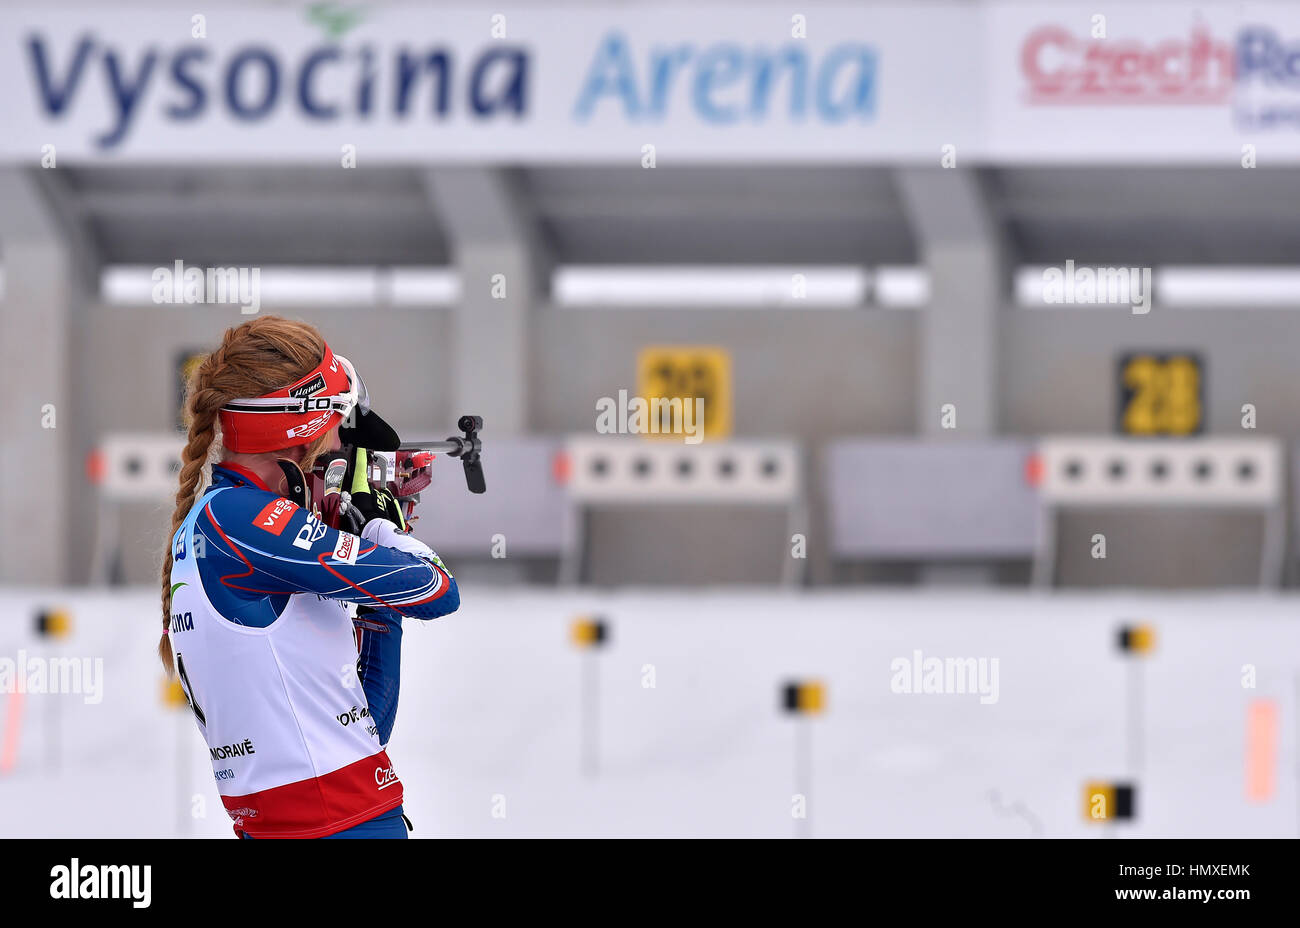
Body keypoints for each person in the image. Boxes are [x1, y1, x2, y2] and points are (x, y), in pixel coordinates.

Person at [160, 316, 460, 838]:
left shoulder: (219, 521)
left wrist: (373, 576)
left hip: (341, 819)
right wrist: (383, 530)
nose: (340, 444)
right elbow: (437, 589)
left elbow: (361, 731)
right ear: (299, 427)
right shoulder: (237, 519)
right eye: (337, 425)